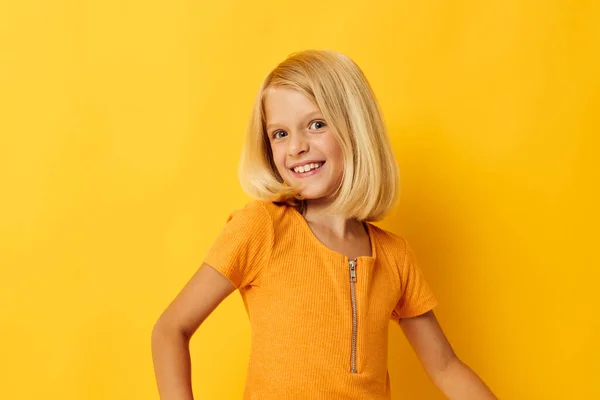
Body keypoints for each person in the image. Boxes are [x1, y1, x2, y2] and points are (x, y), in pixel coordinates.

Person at [151, 49, 497, 400]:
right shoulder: (262, 228)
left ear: (356, 128)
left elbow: (446, 368)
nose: (297, 147)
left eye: (316, 125)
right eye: (280, 134)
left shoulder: (394, 256)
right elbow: (170, 329)